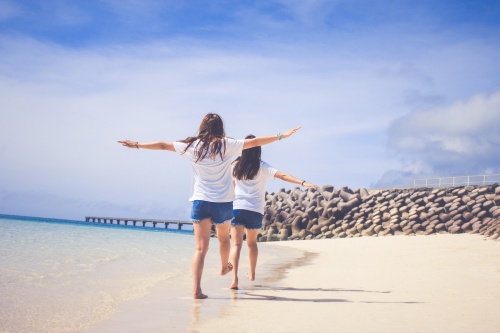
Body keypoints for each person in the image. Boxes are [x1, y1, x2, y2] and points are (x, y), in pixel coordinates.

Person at [118, 113, 300, 299]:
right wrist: (280, 136)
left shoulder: (192, 146)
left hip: (200, 201)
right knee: (223, 238)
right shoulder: (227, 144)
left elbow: (163, 145)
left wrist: (138, 144)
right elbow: (255, 142)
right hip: (223, 202)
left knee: (200, 249)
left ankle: (196, 290)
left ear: (202, 126)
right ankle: (224, 266)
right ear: (221, 127)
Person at [228, 134, 317, 290]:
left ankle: (234, 279)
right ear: (258, 150)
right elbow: (282, 175)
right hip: (255, 209)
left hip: (238, 207)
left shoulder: (235, 165)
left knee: (236, 245)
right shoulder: (262, 166)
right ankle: (252, 273)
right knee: (252, 243)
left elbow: (232, 186)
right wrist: (302, 182)